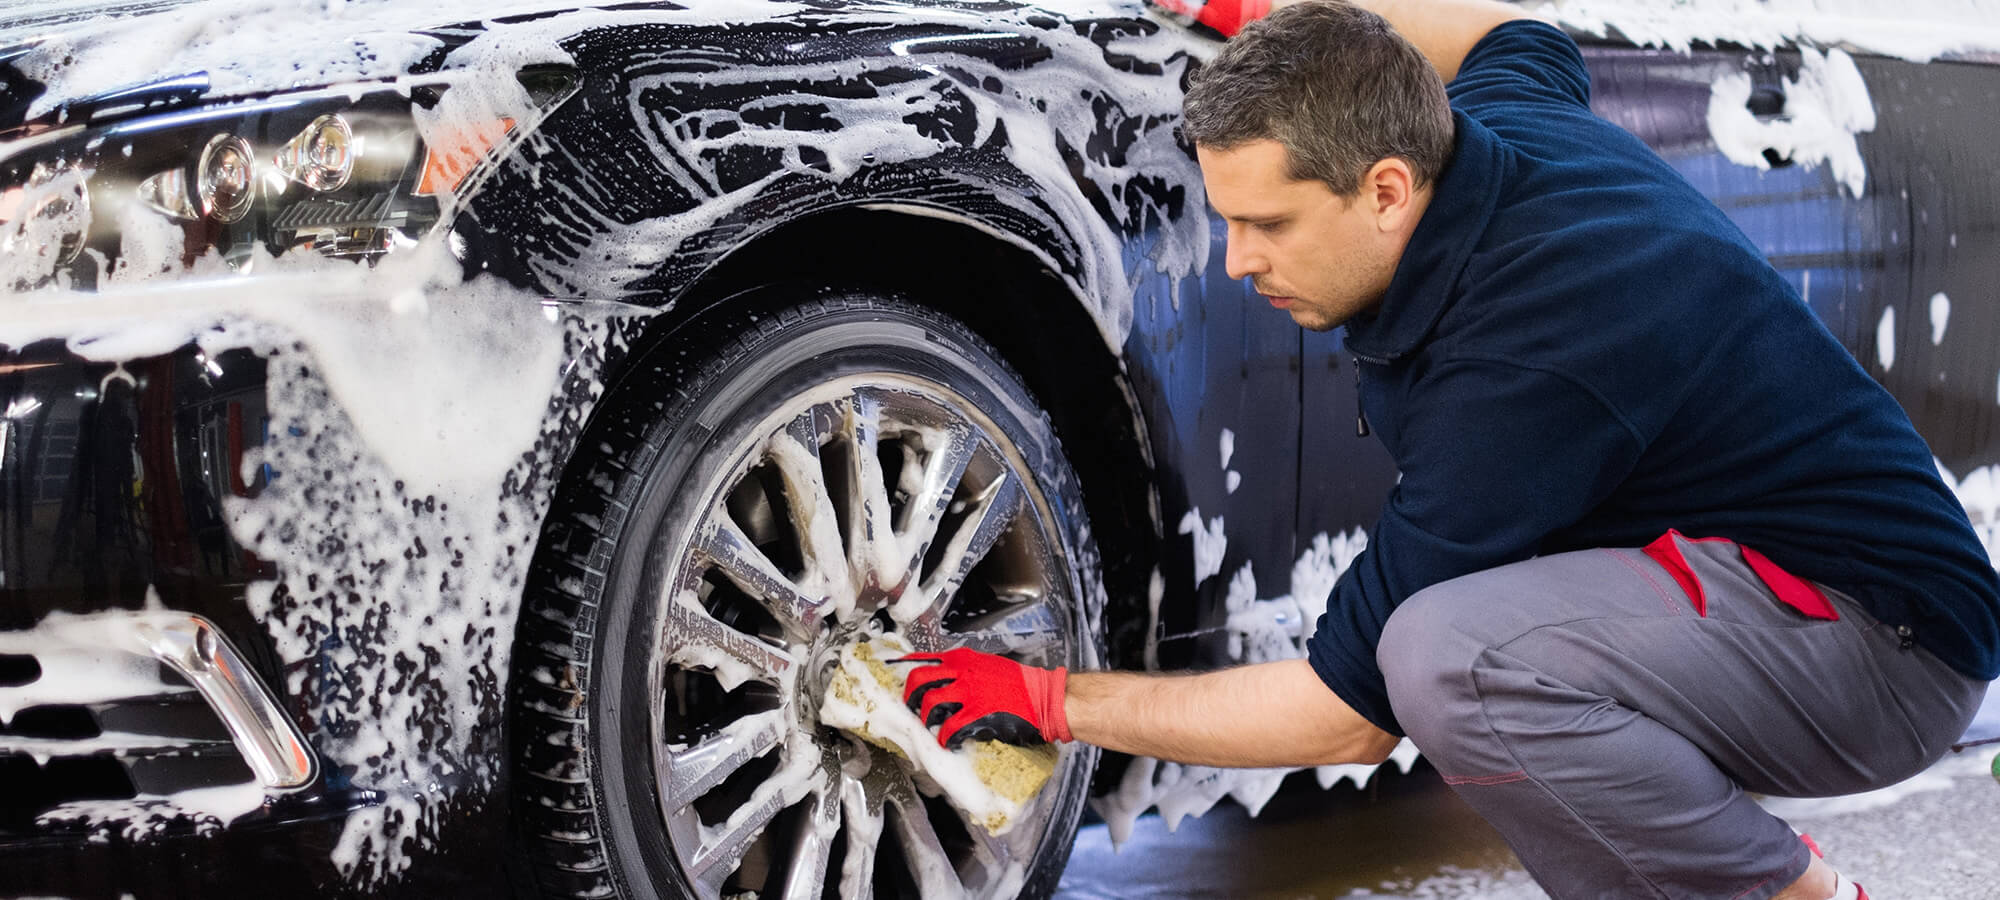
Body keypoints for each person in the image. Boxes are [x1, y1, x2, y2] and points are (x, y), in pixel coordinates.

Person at [895, 2, 1999, 898]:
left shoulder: (1523, 370)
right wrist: (1278, 14)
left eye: (1267, 225)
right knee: (1453, 642)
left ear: (1384, 191)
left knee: (1442, 657)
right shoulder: (1479, 123)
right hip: (1791, 592)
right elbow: (1510, 36)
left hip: (1882, 656)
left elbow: (1343, 717)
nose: (1235, 262)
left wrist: (1053, 702)